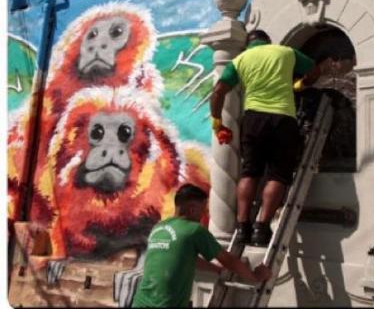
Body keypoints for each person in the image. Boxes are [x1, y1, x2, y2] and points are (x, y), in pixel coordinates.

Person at [209, 29, 337, 247]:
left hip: (253, 120)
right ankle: (261, 227)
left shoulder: (240, 60)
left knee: (250, 171)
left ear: (249, 44)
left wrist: (217, 122)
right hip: (283, 119)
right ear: (269, 41)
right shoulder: (286, 52)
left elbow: (219, 90)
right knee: (278, 175)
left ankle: (242, 227)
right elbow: (315, 71)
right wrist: (300, 85)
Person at [131, 184, 271, 307]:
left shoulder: (159, 228)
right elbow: (227, 260)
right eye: (203, 209)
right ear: (192, 209)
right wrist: (254, 276)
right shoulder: (194, 230)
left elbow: (183, 256)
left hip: (140, 302)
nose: (204, 214)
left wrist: (216, 269)